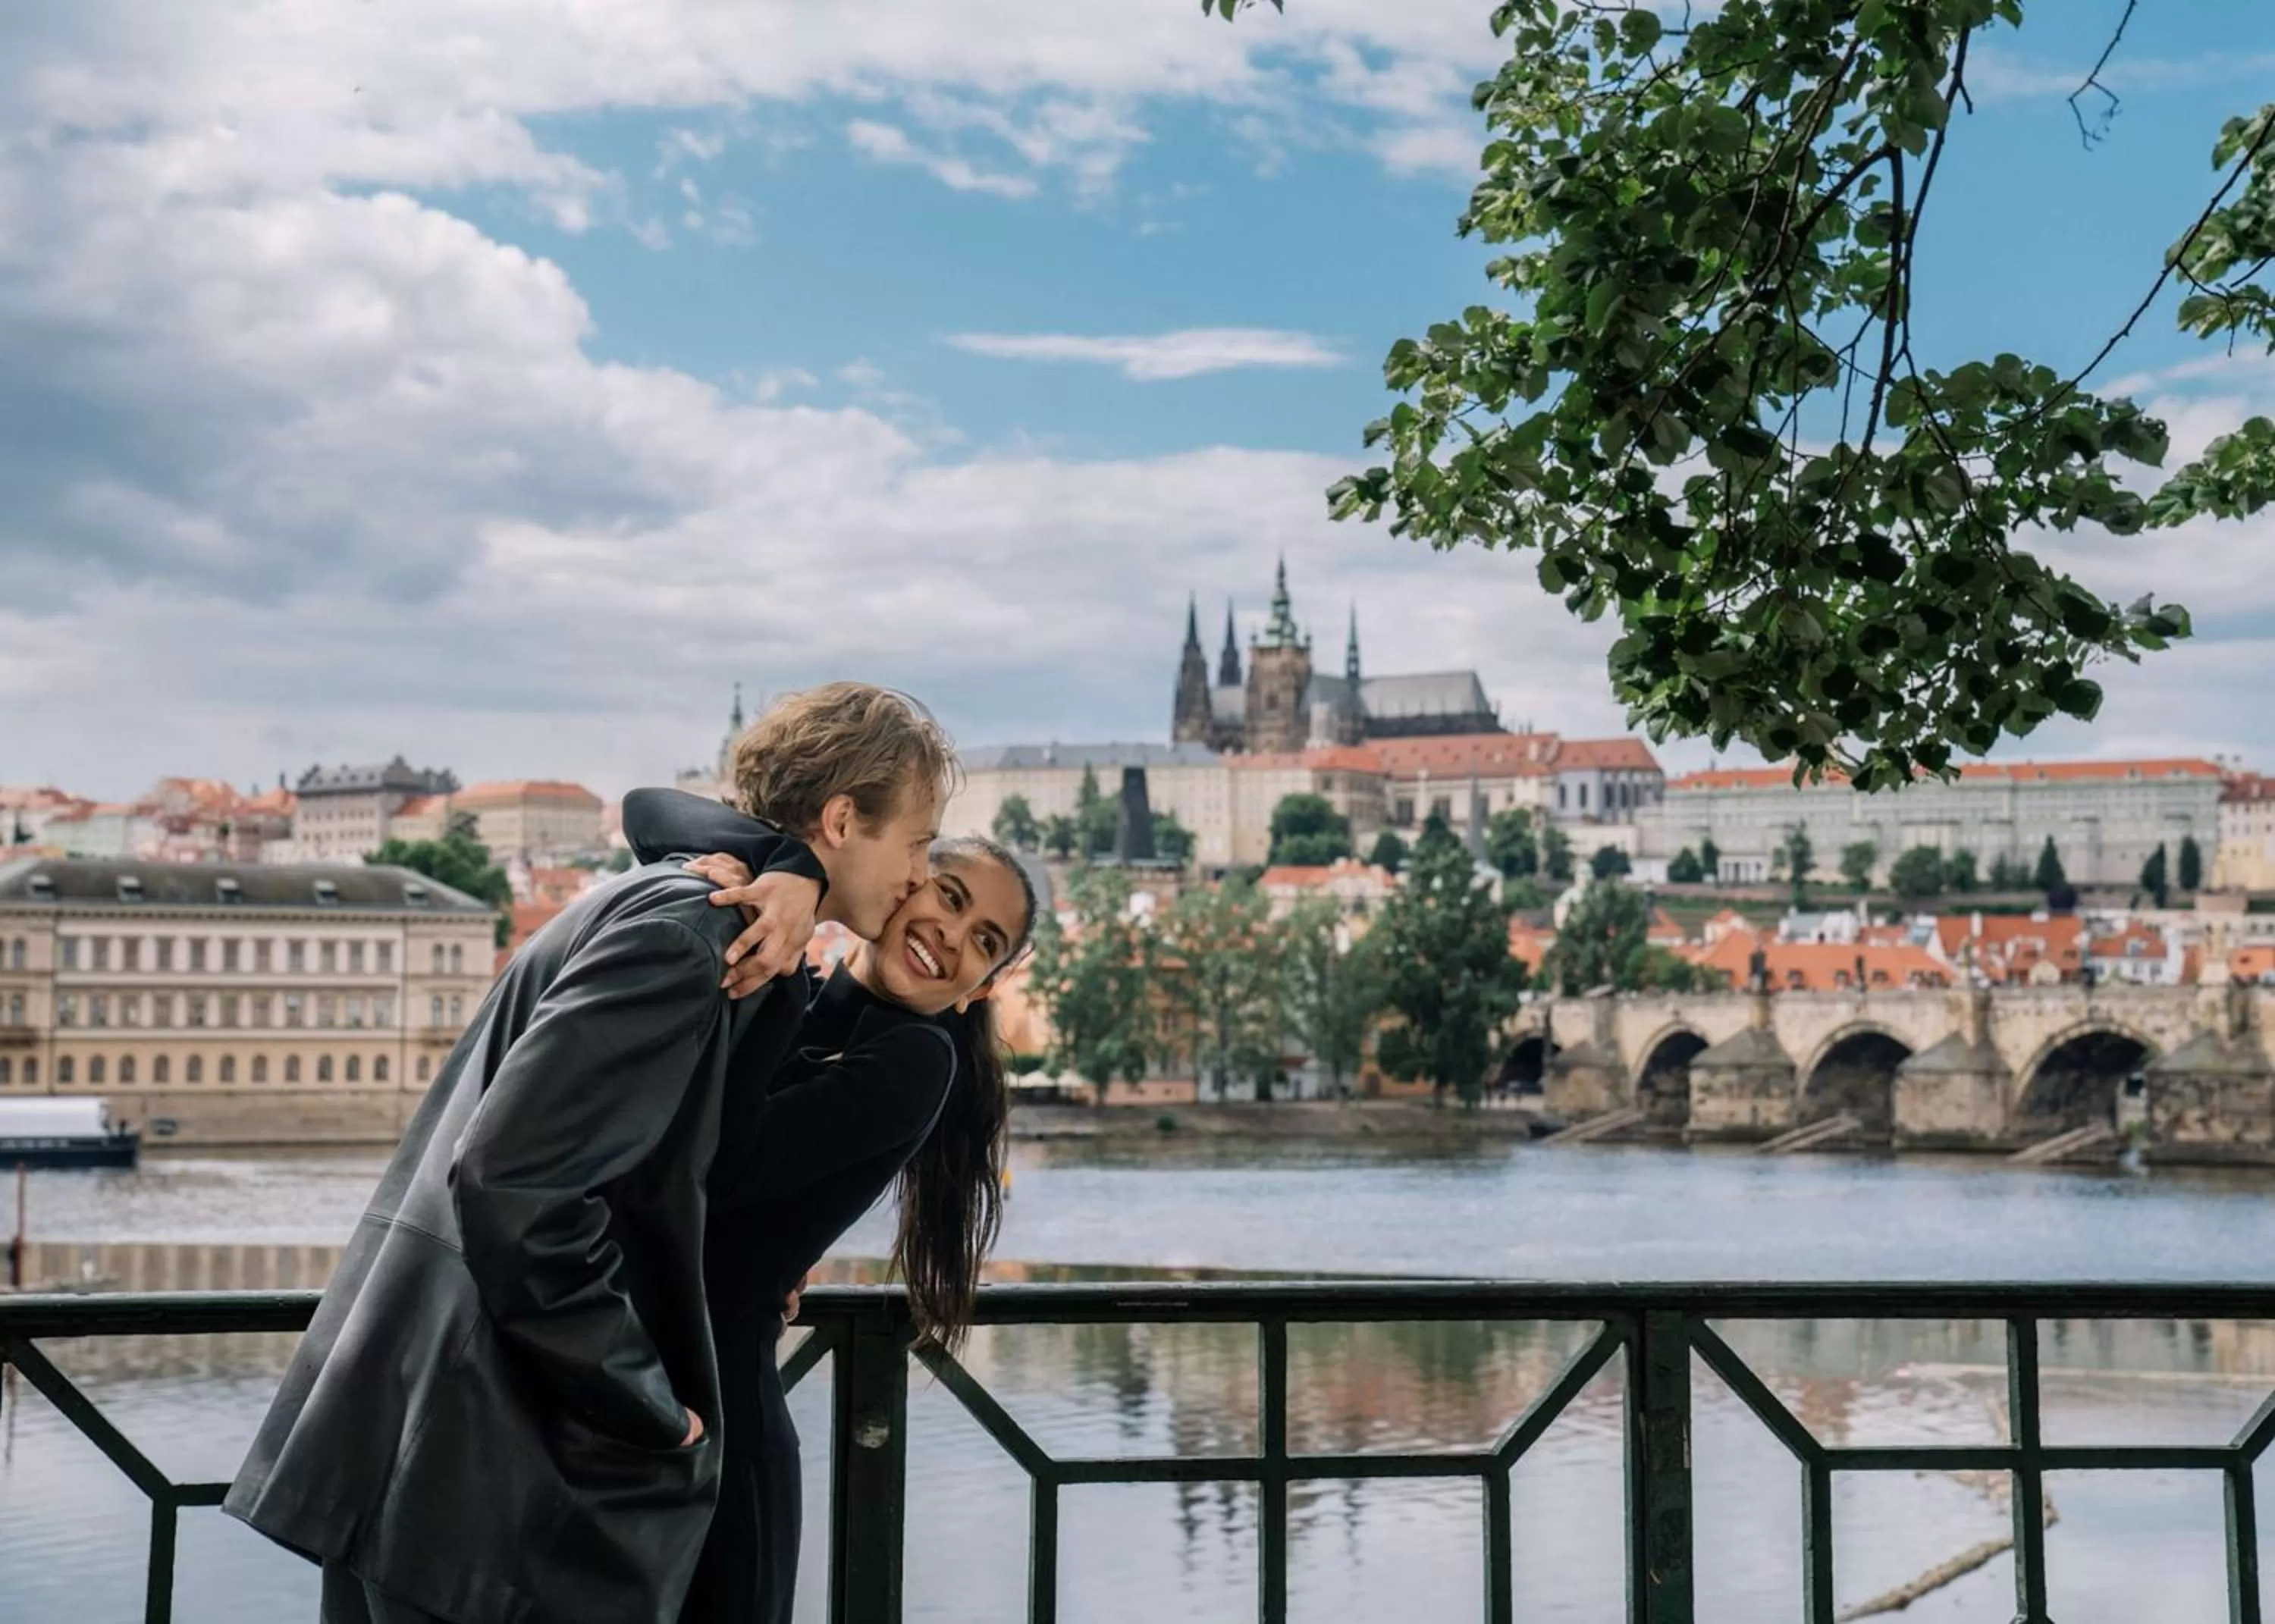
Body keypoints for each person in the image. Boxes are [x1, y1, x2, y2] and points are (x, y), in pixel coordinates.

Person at [224, 684, 956, 1624]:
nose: (917, 875)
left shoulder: (663, 897)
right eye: (919, 843)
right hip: (484, 1464)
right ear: (845, 817)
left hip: (435, 1439)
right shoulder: (694, 934)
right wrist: (642, 1403)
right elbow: (512, 1187)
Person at [620, 788, 1038, 1624]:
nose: (950, 936)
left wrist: (786, 950)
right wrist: (803, 875)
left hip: (717, 1435)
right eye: (948, 897)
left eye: (982, 943)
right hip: (643, 1397)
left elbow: (718, 1166)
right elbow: (646, 814)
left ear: (977, 990)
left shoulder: (914, 1058)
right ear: (904, 881)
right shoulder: (805, 983)